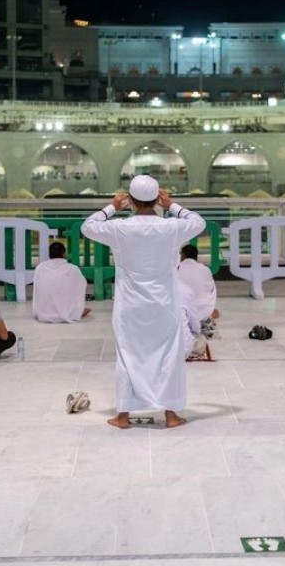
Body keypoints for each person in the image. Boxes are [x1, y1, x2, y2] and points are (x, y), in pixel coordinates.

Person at [81, 174, 205, 429]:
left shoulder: (120, 229)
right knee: (168, 356)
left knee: (128, 355)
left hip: (130, 306)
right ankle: (171, 415)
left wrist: (112, 208)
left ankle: (123, 416)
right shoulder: (171, 228)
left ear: (132, 201)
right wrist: (172, 206)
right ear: (157, 199)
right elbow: (198, 222)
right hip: (164, 305)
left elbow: (88, 226)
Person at [32, 241, 89, 323]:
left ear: (49, 254)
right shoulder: (72, 268)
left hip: (43, 313)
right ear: (64, 254)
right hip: (67, 312)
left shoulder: (40, 268)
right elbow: (82, 285)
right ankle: (69, 310)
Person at [177, 244, 218, 323]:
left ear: (183, 255)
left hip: (181, 313)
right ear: (196, 256)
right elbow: (211, 291)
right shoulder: (205, 269)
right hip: (202, 313)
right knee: (211, 287)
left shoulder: (176, 269)